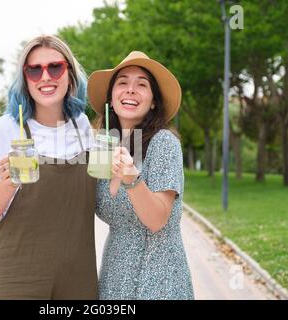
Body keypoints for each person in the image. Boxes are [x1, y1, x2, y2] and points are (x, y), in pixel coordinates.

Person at [0, 35, 98, 299]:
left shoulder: (82, 126)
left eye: (55, 67)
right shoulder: (4, 129)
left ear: (70, 73)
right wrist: (8, 182)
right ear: (24, 78)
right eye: (34, 70)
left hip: (77, 279)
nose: (45, 77)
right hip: (14, 277)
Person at [87, 51, 194, 299]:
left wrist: (132, 180)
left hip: (159, 280)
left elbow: (157, 221)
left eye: (141, 84)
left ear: (153, 101)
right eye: (122, 82)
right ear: (111, 99)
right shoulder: (103, 147)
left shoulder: (163, 143)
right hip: (114, 277)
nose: (131, 90)